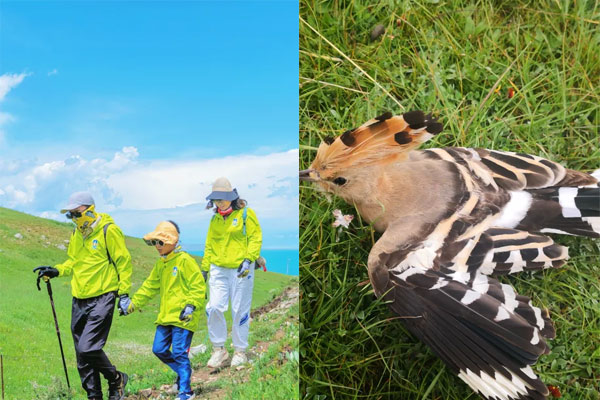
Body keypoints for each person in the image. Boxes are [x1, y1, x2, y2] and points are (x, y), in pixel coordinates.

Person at [33, 191, 132, 400]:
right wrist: (57, 270)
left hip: (103, 296)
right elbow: (73, 262)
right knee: (82, 356)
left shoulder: (108, 230)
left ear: (90, 210)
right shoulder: (76, 233)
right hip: (79, 299)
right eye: (70, 215)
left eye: (76, 214)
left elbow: (123, 262)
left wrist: (124, 294)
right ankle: (94, 396)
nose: (74, 219)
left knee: (88, 348)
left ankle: (116, 379)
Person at [121, 220, 205, 400]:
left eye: (160, 242)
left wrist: (190, 305)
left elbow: (198, 286)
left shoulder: (185, 261)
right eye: (154, 242)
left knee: (180, 352)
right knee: (158, 349)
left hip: (184, 316)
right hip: (166, 316)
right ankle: (184, 373)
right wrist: (132, 305)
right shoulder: (161, 264)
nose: (157, 246)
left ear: (172, 241)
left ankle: (186, 391)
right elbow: (149, 287)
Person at [202, 177, 262, 368]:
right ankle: (219, 349)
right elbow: (209, 245)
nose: (220, 202)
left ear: (231, 196)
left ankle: (240, 351)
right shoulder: (215, 219)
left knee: (239, 310)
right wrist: (205, 268)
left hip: (240, 269)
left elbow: (255, 238)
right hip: (218, 267)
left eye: (223, 197)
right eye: (217, 198)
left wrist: (248, 259)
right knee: (214, 307)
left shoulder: (246, 214)